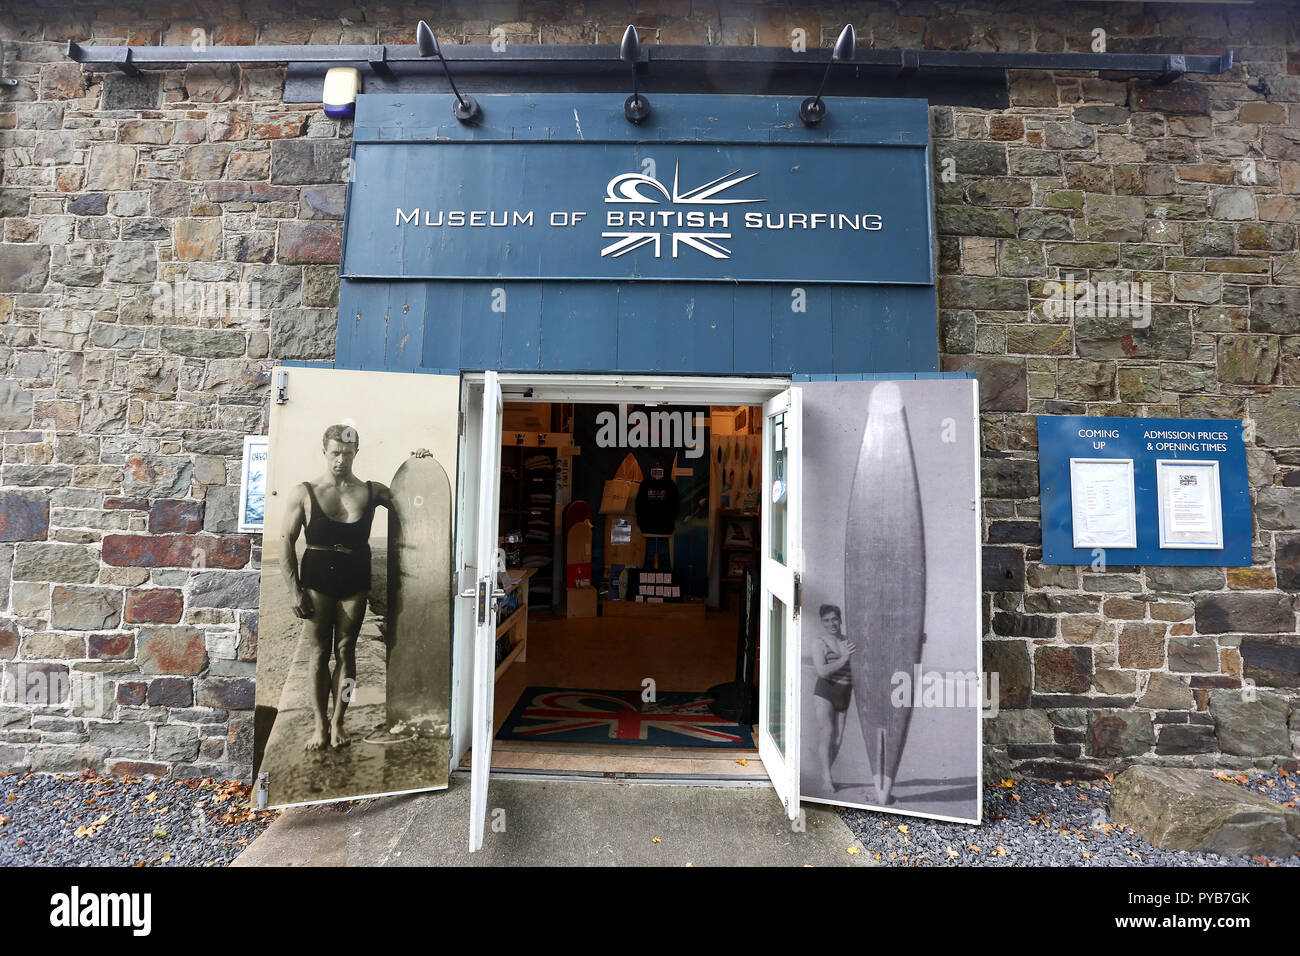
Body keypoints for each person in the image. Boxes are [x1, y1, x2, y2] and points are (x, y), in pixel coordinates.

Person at [280, 424, 392, 751]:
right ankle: (319, 724)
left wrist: (420, 462)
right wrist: (293, 590)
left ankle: (339, 720)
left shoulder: (372, 491)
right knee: (318, 654)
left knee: (347, 651)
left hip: (355, 577)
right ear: (324, 451)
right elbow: (286, 541)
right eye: (334, 453)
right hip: (316, 577)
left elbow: (410, 497)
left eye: (347, 452)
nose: (340, 459)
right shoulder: (304, 491)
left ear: (356, 452)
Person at [810, 603, 856, 792]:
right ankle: (827, 778)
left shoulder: (849, 642)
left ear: (840, 619)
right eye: (827, 620)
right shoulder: (819, 642)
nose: (831, 623)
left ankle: (825, 772)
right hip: (825, 692)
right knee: (827, 734)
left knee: (838, 740)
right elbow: (822, 671)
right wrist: (844, 659)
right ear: (822, 622)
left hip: (845, 693)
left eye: (834, 619)